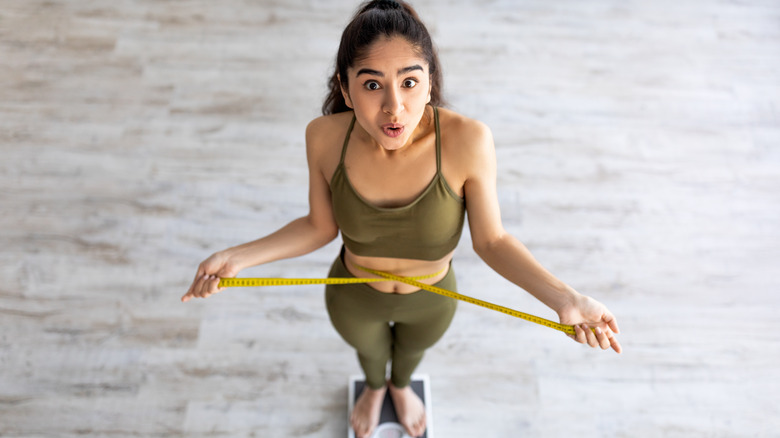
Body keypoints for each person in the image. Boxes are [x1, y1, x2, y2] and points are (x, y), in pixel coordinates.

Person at [182, 1, 622, 437]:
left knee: (410, 356)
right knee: (369, 356)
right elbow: (319, 226)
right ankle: (375, 387)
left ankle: (399, 385)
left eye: (409, 82)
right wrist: (236, 257)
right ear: (346, 87)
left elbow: (492, 241)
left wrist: (565, 299)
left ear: (430, 82)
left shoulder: (468, 140)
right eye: (372, 86)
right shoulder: (323, 137)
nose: (395, 107)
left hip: (431, 299)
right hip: (354, 297)